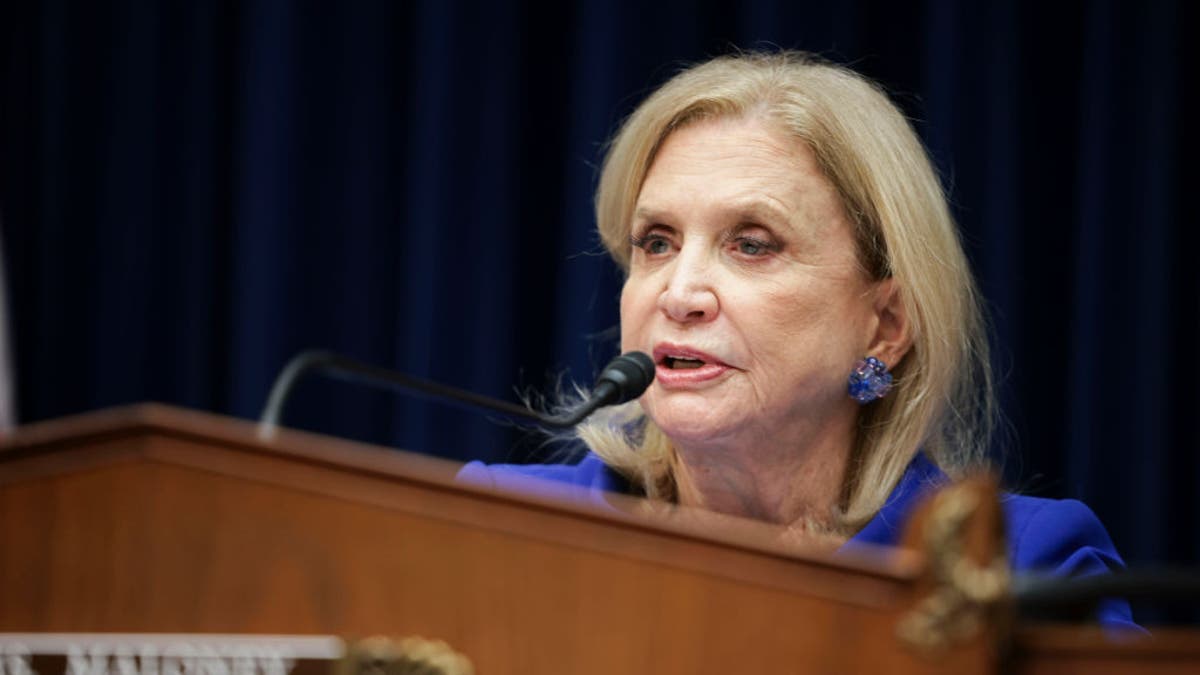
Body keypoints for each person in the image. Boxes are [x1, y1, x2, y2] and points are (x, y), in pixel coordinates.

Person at [459, 51, 1136, 629]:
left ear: (886, 326)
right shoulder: (496, 524)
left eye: (752, 244)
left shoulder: (1021, 567)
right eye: (656, 242)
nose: (679, 292)